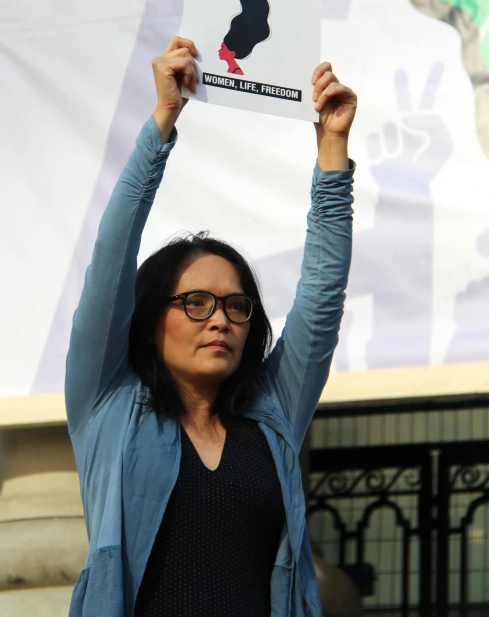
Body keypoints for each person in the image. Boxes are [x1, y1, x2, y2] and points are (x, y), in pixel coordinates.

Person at [65, 36, 357, 617]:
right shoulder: (108, 404)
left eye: (237, 305)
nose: (220, 319)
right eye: (196, 302)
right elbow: (112, 256)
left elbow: (321, 298)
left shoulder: (273, 415)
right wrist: (163, 122)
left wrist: (333, 151)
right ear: (151, 321)